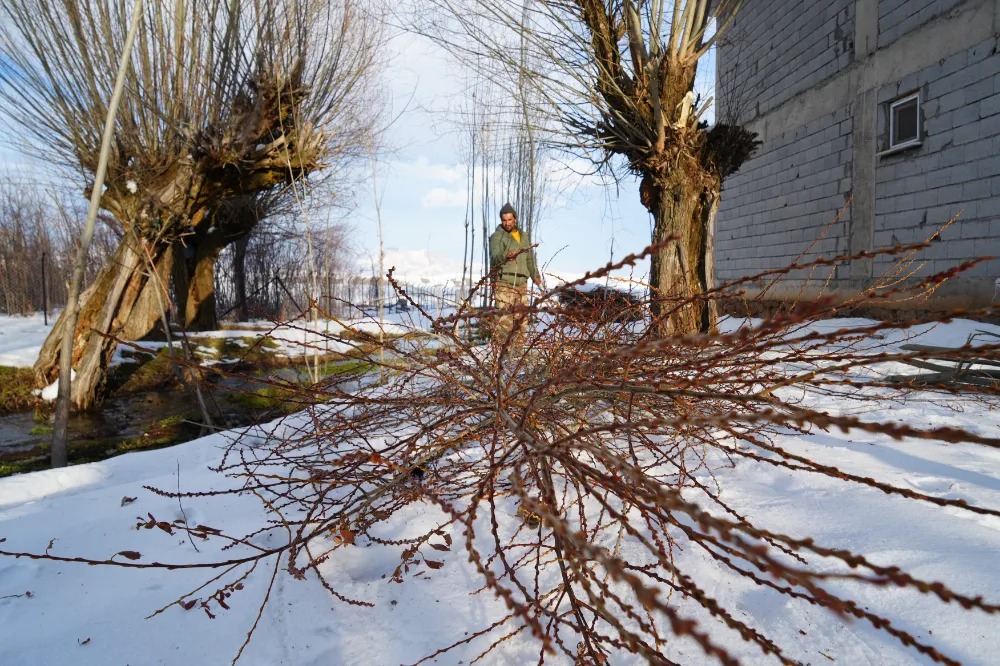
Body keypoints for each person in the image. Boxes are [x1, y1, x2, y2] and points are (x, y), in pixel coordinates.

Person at [488, 203, 542, 345]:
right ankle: (501, 355)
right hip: (504, 283)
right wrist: (505, 255)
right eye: (504, 220)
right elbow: (494, 258)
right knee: (504, 322)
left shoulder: (524, 237)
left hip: (521, 285)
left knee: (521, 322)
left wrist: (535, 275)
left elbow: (530, 257)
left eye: (510, 219)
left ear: (515, 219)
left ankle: (517, 356)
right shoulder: (497, 237)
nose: (507, 223)